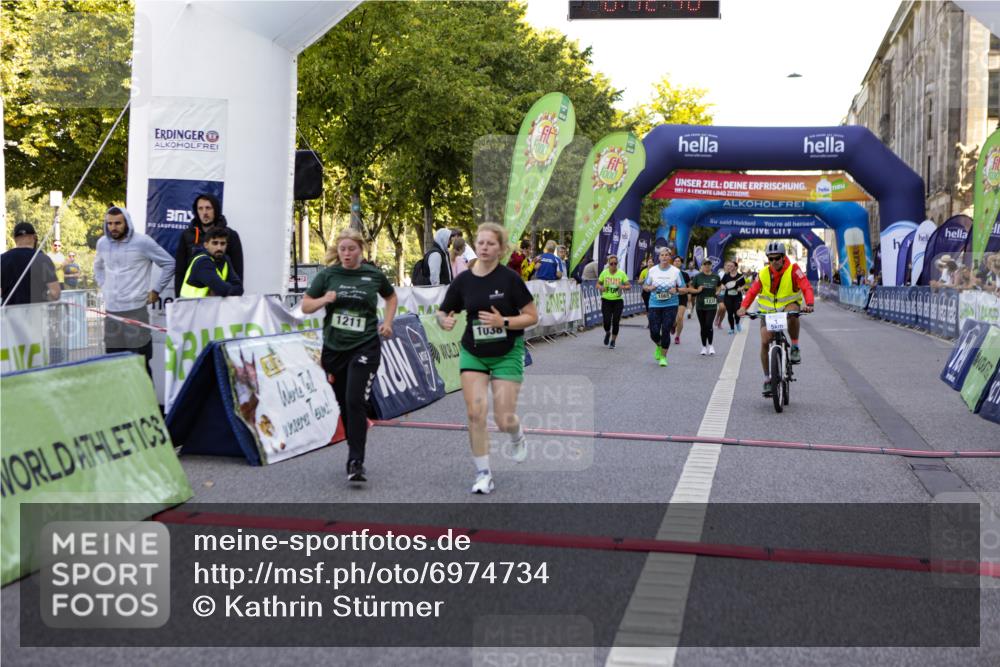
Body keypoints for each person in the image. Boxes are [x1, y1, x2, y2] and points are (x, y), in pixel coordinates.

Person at [437, 222, 539, 495]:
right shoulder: (464, 280)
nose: (484, 247)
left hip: (507, 352)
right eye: (480, 242)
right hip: (474, 352)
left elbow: (532, 316)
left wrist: (502, 321)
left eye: (490, 243)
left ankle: (516, 434)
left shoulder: (510, 280)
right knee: (475, 413)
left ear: (501, 249)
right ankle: (483, 473)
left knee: (504, 419)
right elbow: (443, 311)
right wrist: (443, 320)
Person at [302, 228, 397, 483]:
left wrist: (388, 322)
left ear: (360, 250)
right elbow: (306, 305)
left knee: (355, 400)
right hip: (334, 349)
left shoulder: (373, 275)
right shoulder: (328, 275)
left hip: (365, 345)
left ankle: (356, 461)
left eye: (351, 249)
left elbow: (391, 297)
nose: (346, 254)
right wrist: (324, 299)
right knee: (344, 403)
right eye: (342, 249)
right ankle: (354, 443)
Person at [94, 206, 175, 374]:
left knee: (140, 365)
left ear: (127, 223)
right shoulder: (102, 243)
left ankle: (146, 393)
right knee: (114, 365)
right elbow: (98, 266)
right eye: (109, 223)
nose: (113, 227)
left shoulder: (142, 242)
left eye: (118, 223)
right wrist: (104, 286)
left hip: (136, 313)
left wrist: (156, 291)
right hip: (111, 314)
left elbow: (169, 263)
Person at [737, 242, 815, 397]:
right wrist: (743, 307)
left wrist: (810, 303)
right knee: (765, 341)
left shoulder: (794, 269)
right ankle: (767, 379)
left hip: (787, 306)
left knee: (793, 313)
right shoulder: (763, 273)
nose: (774, 261)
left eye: (777, 258)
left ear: (783, 257)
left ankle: (794, 347)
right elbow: (752, 291)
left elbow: (806, 286)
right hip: (768, 311)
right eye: (770, 259)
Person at [173, 193, 244, 296]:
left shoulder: (231, 235)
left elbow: (238, 272)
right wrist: (178, 300)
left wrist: (232, 294)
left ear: (216, 210)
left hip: (223, 300)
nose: (204, 212)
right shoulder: (187, 235)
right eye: (200, 208)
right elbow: (180, 271)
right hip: (193, 301)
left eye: (208, 208)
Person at [643, 247, 684, 367]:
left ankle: (663, 357)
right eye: (662, 255)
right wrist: (649, 288)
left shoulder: (676, 271)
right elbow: (645, 285)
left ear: (670, 257)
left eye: (667, 255)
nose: (664, 257)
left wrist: (676, 290)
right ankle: (659, 345)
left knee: (666, 330)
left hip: (671, 304)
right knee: (654, 332)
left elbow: (684, 288)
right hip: (654, 304)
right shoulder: (652, 270)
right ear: (659, 257)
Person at [1, 222, 60, 306]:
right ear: (34, 237)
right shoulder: (43, 259)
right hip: (37, 311)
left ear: (14, 238)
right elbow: (55, 293)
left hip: (9, 312)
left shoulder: (2, 259)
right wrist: (45, 298)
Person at [179, 227, 244, 297]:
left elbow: (240, 288)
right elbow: (222, 290)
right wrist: (227, 288)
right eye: (215, 243)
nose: (219, 248)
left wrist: (223, 289)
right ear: (206, 245)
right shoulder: (202, 262)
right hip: (190, 303)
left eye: (222, 243)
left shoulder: (225, 260)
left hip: (207, 303)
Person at [597, 255, 631, 349]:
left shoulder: (621, 273)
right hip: (606, 300)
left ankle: (613, 341)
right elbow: (598, 284)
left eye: (615, 263)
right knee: (606, 321)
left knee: (616, 321)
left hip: (618, 300)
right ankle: (608, 332)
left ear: (617, 264)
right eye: (611, 263)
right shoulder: (604, 273)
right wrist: (601, 287)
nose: (613, 265)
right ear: (608, 264)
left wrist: (622, 287)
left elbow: (629, 286)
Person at [690, 259, 722, 355]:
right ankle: (704, 346)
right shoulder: (697, 276)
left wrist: (718, 291)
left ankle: (711, 345)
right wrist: (697, 290)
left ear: (711, 266)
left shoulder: (716, 276)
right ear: (702, 266)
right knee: (703, 326)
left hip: (712, 305)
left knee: (709, 325)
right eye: (705, 264)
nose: (707, 266)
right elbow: (691, 288)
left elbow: (719, 286)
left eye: (709, 264)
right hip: (700, 305)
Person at [720, 260, 745, 334]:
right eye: (729, 266)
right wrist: (722, 286)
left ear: (736, 267)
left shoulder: (740, 276)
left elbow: (744, 285)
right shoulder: (726, 275)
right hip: (728, 297)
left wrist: (741, 288)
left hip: (737, 297)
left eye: (731, 266)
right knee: (730, 313)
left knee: (737, 311)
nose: (729, 267)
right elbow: (722, 283)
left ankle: (737, 322)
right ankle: (732, 328)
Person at [671, 255, 690, 344]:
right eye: (675, 261)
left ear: (681, 263)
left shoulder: (685, 274)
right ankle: (674, 324)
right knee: (672, 318)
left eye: (679, 261)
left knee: (680, 317)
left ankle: (677, 336)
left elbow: (689, 286)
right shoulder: (668, 273)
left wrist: (688, 293)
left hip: (682, 297)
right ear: (673, 263)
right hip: (671, 297)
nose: (677, 262)